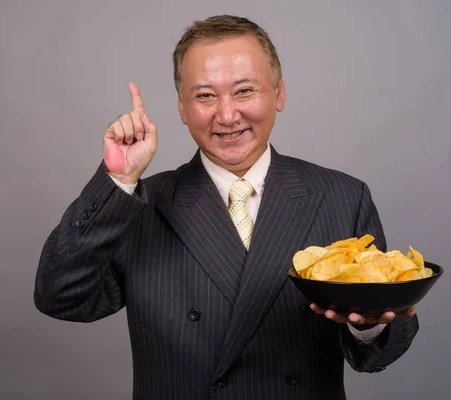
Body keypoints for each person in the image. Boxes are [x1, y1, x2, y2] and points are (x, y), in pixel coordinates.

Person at [34, 15, 418, 399]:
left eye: (245, 90)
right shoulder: (140, 204)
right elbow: (61, 297)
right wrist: (118, 181)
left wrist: (369, 325)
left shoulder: (342, 197)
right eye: (204, 95)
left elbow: (379, 353)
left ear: (279, 93)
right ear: (182, 109)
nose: (228, 115)